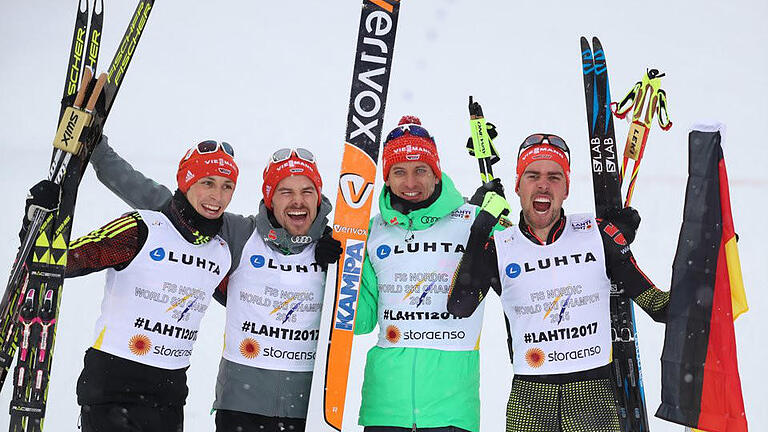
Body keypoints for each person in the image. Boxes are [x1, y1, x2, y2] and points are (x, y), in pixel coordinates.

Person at [83, 138, 342, 432]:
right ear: (270, 197)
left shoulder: (334, 252)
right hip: (241, 405)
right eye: (286, 191)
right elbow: (166, 205)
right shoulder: (239, 235)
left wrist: (338, 254)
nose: (298, 201)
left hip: (308, 409)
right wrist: (100, 155)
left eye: (307, 191)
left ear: (318, 198)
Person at [447, 133, 669, 432]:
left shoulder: (598, 235)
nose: (543, 184)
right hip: (530, 403)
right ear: (518, 186)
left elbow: (658, 306)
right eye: (532, 175)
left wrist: (708, 265)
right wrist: (480, 230)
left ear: (566, 188)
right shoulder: (500, 246)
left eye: (554, 177)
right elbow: (460, 306)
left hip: (594, 401)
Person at [26, 140, 239, 431]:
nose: (217, 196)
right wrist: (36, 223)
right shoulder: (141, 228)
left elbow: (250, 300)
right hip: (113, 389)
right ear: (187, 182)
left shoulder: (221, 251)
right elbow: (63, 262)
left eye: (227, 186)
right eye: (208, 183)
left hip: (169, 396)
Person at [353, 116, 485, 432]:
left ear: (436, 173)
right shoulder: (373, 232)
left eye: (420, 170)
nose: (410, 183)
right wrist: (340, 264)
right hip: (385, 409)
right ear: (387, 177)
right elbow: (360, 321)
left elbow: (532, 254)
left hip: (452, 410)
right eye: (399, 172)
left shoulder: (472, 222)